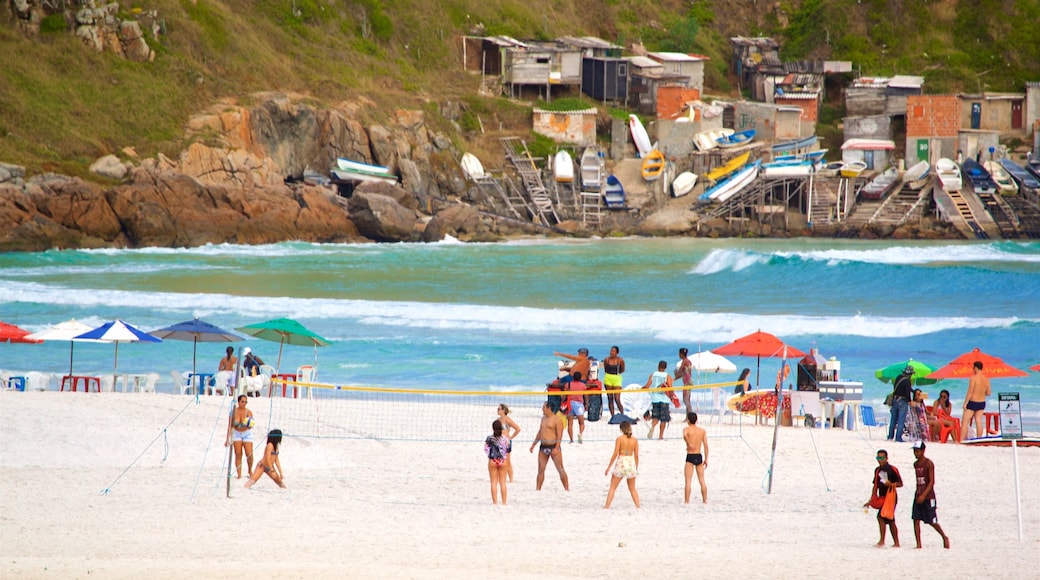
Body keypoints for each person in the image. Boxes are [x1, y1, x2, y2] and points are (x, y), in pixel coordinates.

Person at [911, 441, 950, 549]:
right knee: (915, 519)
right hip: (918, 494)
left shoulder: (929, 463)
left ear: (923, 451)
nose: (916, 453)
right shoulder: (915, 464)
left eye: (918, 451)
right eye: (915, 451)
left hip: (928, 496)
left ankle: (944, 536)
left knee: (931, 521)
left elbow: (931, 481)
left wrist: (924, 495)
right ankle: (918, 544)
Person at [864, 448, 902, 547]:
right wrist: (871, 500)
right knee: (888, 519)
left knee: (884, 518)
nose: (879, 460)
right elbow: (875, 485)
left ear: (886, 458)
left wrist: (891, 484)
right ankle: (894, 542)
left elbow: (900, 484)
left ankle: (884, 541)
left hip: (891, 496)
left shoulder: (892, 469)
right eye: (878, 457)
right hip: (882, 497)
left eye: (881, 457)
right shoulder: (877, 470)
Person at [529, 402, 569, 491]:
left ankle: (566, 489)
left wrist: (556, 448)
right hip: (543, 447)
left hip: (553, 446)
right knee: (540, 469)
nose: (542, 409)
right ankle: (538, 489)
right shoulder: (543, 418)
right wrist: (533, 445)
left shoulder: (557, 420)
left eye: (544, 407)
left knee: (560, 469)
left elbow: (559, 435)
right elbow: (540, 432)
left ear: (549, 408)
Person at [604, 421, 640, 509]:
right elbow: (636, 456)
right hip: (630, 463)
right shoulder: (634, 440)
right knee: (632, 488)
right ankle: (638, 506)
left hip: (621, 462)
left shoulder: (619, 439)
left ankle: (607, 506)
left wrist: (609, 467)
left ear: (621, 429)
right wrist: (636, 467)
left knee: (612, 487)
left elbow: (615, 453)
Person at [224, 394, 255, 478]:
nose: (244, 403)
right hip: (237, 433)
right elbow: (230, 426)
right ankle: (239, 474)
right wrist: (227, 439)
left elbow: (251, 425)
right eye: (242, 401)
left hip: (247, 433)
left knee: (249, 454)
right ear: (238, 402)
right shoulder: (233, 412)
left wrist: (248, 424)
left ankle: (250, 469)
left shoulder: (248, 412)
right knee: (238, 454)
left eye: (245, 402)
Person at [961, 361, 991, 441]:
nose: (973, 370)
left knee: (964, 421)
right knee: (978, 421)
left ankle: (961, 439)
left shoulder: (973, 378)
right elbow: (988, 393)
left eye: (973, 368)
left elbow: (970, 391)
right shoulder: (986, 379)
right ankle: (979, 439)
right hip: (981, 402)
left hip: (973, 402)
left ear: (976, 368)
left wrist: (965, 402)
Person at [683, 412, 709, 504]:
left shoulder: (686, 429)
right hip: (699, 455)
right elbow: (706, 446)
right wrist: (706, 459)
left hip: (690, 455)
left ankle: (687, 502)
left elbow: (685, 435)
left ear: (688, 420)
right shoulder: (702, 431)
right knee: (702, 480)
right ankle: (705, 501)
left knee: (688, 481)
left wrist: (689, 443)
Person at [644, 360, 673, 440]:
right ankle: (660, 436)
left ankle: (652, 427)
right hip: (664, 399)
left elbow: (647, 386)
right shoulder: (667, 376)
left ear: (658, 366)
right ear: (665, 367)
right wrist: (672, 396)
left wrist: (642, 388)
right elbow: (670, 387)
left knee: (655, 417)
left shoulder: (653, 375)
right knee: (663, 419)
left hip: (655, 398)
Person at [484, 419, 510, 505]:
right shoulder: (505, 439)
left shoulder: (489, 438)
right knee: (503, 482)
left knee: (493, 482)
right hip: (503, 461)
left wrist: (491, 455)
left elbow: (486, 449)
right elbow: (508, 449)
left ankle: (495, 502)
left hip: (493, 460)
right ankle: (504, 502)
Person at [887, 365, 913, 442]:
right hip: (903, 401)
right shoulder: (908, 381)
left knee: (893, 420)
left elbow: (896, 387)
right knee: (901, 420)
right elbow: (907, 392)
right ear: (910, 374)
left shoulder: (898, 377)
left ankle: (890, 436)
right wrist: (910, 401)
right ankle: (898, 438)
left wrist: (913, 390)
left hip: (895, 400)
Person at [496, 404, 521, 483]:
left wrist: (510, 438)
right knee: (499, 461)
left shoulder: (507, 419)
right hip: (499, 442)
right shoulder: (497, 420)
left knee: (507, 461)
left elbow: (518, 429)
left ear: (503, 410)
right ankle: (500, 479)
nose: (497, 410)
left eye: (499, 409)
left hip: (506, 442)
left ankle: (511, 480)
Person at [602, 346, 625, 416]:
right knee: (610, 398)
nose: (611, 352)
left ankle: (622, 414)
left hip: (617, 378)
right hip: (608, 378)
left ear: (617, 353)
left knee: (617, 399)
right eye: (611, 351)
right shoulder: (606, 359)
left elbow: (622, 370)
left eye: (613, 351)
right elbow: (605, 369)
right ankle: (612, 415)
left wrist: (616, 375)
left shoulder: (620, 360)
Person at [565, 371, 586, 444]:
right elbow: (585, 396)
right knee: (581, 422)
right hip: (579, 404)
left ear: (573, 377)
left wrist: (562, 403)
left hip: (570, 403)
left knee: (570, 423)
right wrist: (586, 404)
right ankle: (580, 433)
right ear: (580, 378)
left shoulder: (568, 384)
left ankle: (571, 440)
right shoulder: (583, 385)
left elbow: (564, 395)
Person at [674, 348, 693, 413]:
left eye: (679, 353)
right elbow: (684, 374)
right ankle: (688, 416)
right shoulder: (689, 361)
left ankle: (690, 414)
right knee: (688, 400)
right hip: (689, 381)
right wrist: (674, 379)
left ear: (681, 354)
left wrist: (675, 372)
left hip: (687, 383)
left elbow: (679, 372)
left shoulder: (684, 361)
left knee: (685, 400)